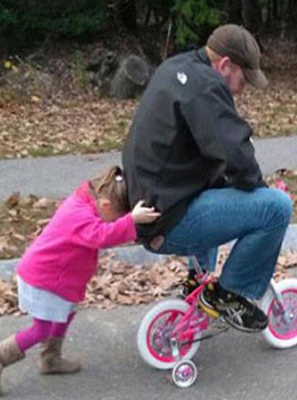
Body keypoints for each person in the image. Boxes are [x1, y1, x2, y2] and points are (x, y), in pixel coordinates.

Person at [122, 24, 292, 333]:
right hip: (169, 219)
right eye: (243, 79)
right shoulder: (206, 84)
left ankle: (196, 282)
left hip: (153, 205)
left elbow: (211, 148)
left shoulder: (176, 67)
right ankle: (230, 293)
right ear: (225, 65)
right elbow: (235, 154)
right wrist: (258, 190)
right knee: (276, 207)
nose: (242, 89)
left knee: (218, 185)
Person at [0, 166, 160, 396]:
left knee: (67, 313)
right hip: (44, 279)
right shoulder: (80, 217)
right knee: (41, 329)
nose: (115, 222)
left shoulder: (87, 201)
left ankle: (50, 359)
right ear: (106, 205)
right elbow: (103, 235)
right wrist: (131, 221)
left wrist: (130, 224)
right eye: (116, 217)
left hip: (59, 279)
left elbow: (108, 229)